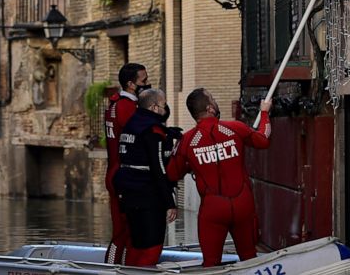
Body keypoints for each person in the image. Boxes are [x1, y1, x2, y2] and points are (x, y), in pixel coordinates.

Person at [166, 89, 272, 267]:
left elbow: (172, 174)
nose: (216, 102)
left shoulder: (187, 141)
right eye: (213, 99)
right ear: (210, 108)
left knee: (211, 263)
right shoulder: (234, 128)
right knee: (249, 258)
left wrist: (191, 164)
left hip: (213, 209)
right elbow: (263, 139)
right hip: (242, 204)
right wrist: (264, 112)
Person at [113, 89, 181, 267]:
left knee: (136, 245)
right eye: (164, 104)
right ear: (154, 107)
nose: (165, 108)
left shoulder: (131, 124)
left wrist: (167, 133)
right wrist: (169, 202)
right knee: (152, 246)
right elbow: (158, 168)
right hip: (147, 195)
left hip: (128, 192)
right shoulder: (152, 130)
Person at [103, 62, 151, 264]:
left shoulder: (116, 105)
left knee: (127, 229)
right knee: (122, 232)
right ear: (131, 84)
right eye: (144, 80)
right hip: (123, 176)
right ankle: (111, 269)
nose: (147, 84)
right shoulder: (127, 108)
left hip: (116, 173)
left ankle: (121, 266)